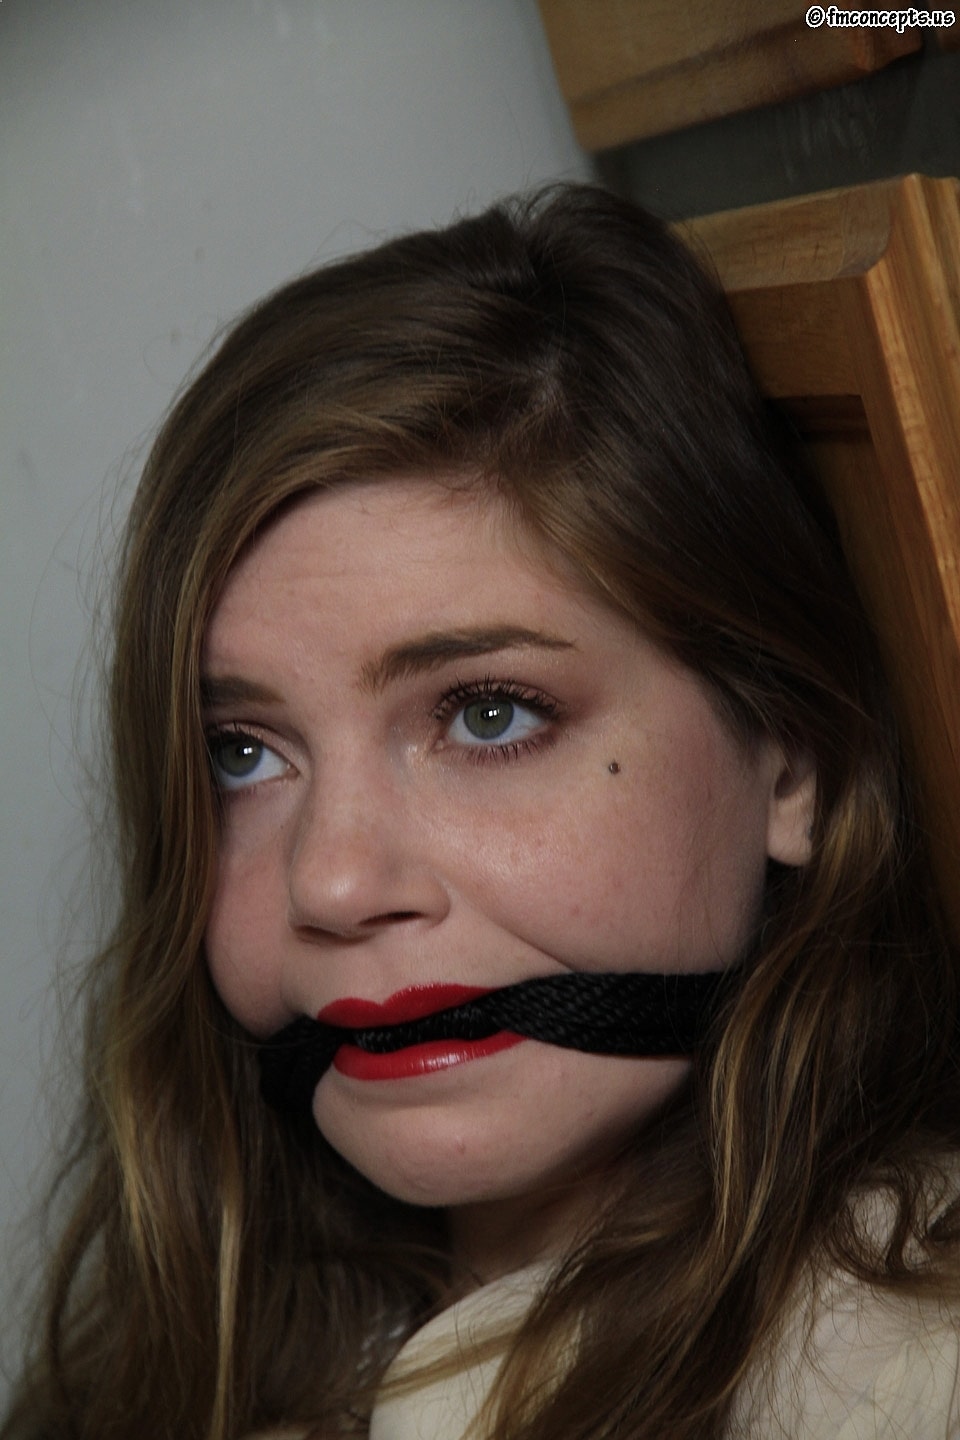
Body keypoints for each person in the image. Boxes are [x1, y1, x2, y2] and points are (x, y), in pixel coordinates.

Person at [4, 184, 960, 1440]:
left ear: (791, 762)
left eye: (489, 714)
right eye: (241, 752)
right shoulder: (208, 1356)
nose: (331, 883)